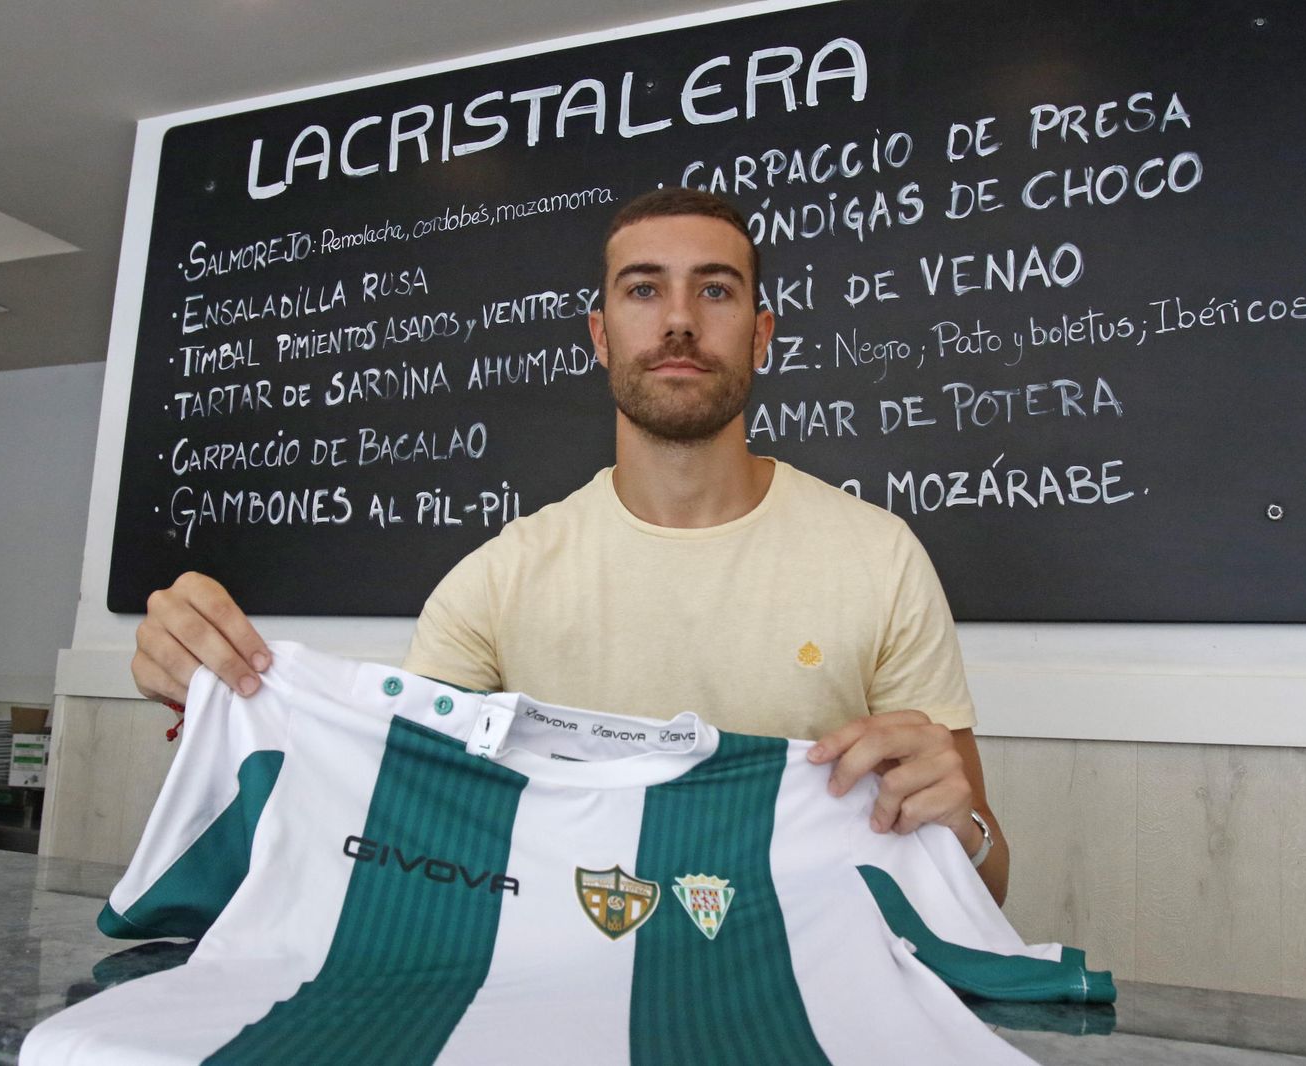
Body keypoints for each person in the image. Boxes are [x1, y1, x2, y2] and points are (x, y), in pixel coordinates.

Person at [132, 188, 1009, 903]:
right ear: (599, 335)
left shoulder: (880, 557)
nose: (677, 320)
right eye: (641, 289)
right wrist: (223, 701)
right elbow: (384, 818)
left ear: (762, 332)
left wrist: (961, 823)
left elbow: (989, 877)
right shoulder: (496, 584)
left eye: (714, 289)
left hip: (807, 989)